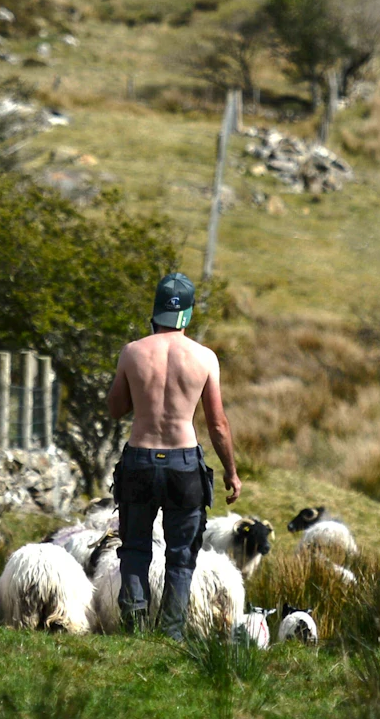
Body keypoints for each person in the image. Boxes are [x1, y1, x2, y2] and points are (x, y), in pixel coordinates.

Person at [104, 271, 241, 638]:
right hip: (183, 464)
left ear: (156, 310)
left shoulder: (133, 352)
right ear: (188, 314)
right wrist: (231, 472)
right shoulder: (205, 358)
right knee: (181, 555)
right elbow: (218, 425)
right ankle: (172, 633)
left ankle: (133, 627)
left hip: (140, 459)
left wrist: (137, 386)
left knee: (135, 547)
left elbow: (116, 409)